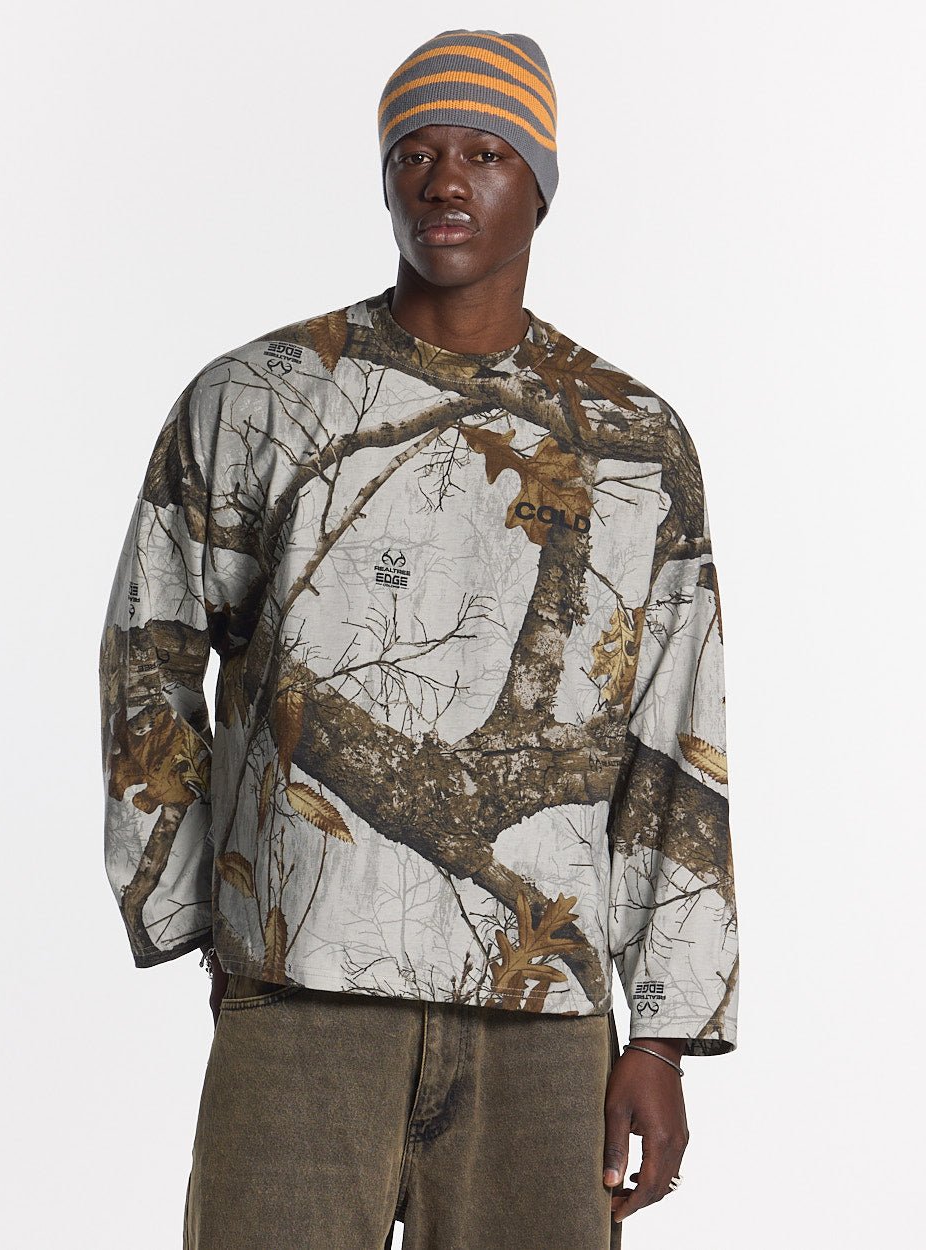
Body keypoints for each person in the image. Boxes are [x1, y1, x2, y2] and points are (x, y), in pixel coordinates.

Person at [98, 27, 739, 1250]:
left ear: (539, 183)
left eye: (486, 153)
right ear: (385, 174)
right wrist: (201, 909)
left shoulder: (633, 440)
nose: (445, 181)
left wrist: (660, 1032)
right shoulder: (260, 397)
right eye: (416, 152)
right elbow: (151, 651)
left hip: (541, 1008)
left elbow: (675, 737)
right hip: (301, 987)